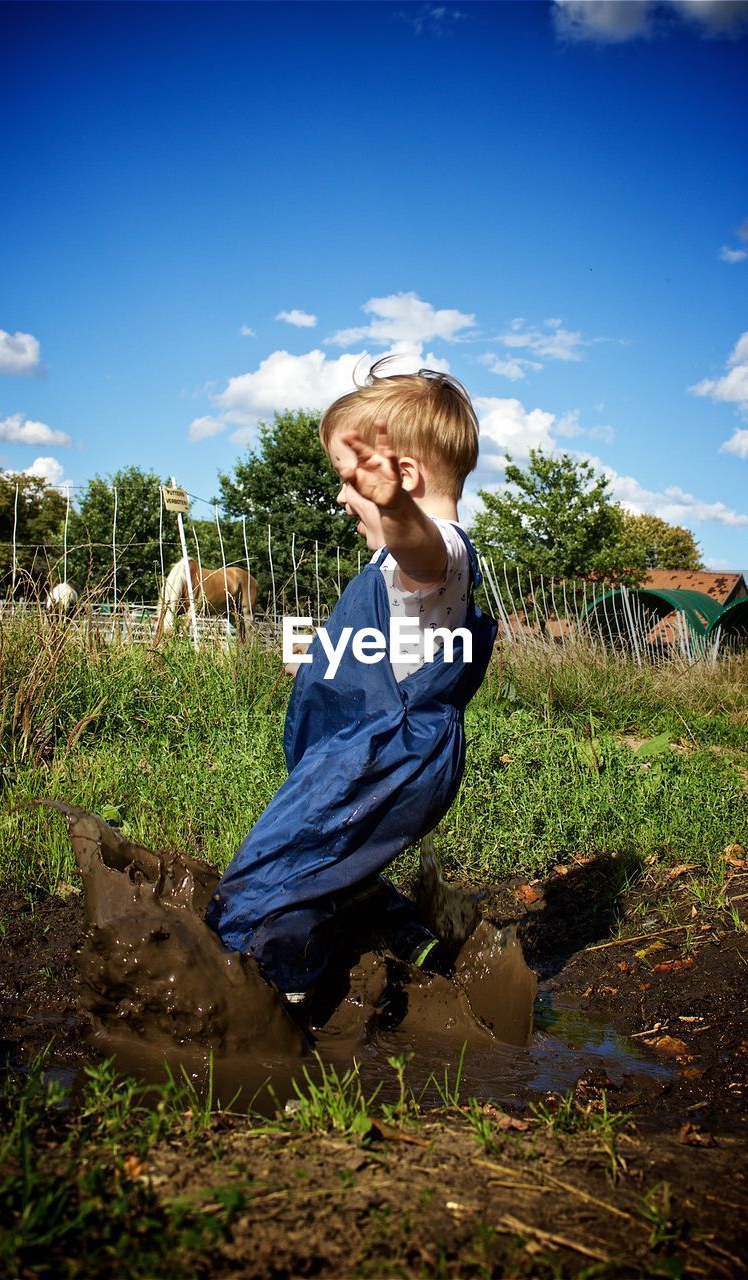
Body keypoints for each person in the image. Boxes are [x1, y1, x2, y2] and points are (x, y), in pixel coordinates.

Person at [205, 363, 497, 1009]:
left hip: (377, 760)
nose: (342, 497)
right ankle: (406, 936)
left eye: (349, 479)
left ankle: (270, 1000)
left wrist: (394, 509)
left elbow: (424, 551)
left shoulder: (432, 552)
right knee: (338, 872)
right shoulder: (398, 575)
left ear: (405, 477)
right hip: (375, 756)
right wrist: (322, 655)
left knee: (264, 884)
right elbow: (395, 654)